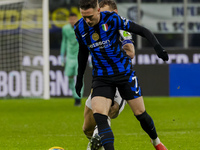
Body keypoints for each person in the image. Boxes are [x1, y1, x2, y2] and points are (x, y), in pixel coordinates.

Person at [74, 0, 168, 149]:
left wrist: (158, 48)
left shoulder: (112, 19)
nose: (87, 21)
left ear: (98, 10)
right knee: (100, 116)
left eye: (90, 17)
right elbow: (83, 52)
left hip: (124, 74)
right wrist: (79, 78)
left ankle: (156, 141)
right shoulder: (79, 27)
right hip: (102, 77)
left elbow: (142, 31)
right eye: (84, 17)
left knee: (140, 114)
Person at [83, 1, 135, 149]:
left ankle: (96, 141)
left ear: (115, 12)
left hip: (119, 77)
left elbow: (131, 52)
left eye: (106, 13)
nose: (103, 16)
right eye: (101, 13)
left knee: (110, 109)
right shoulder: (93, 27)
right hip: (101, 77)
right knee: (87, 127)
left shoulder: (121, 28)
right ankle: (96, 139)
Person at [60, 13, 83, 106]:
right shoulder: (65, 29)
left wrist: (90, 56)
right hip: (69, 57)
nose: (72, 21)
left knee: (79, 77)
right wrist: (62, 55)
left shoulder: (81, 28)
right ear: (69, 20)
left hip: (79, 56)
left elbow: (86, 42)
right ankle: (75, 95)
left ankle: (78, 98)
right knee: (69, 77)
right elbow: (64, 41)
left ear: (77, 19)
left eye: (74, 19)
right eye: (71, 19)